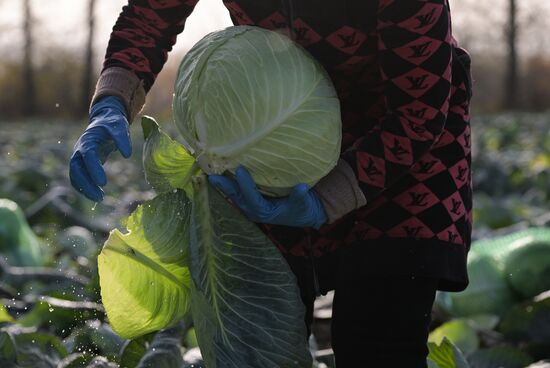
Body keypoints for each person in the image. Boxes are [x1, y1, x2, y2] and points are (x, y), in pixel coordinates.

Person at [69, 1, 473, 366]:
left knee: (378, 342)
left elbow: (417, 113)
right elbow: (151, 13)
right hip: (273, 146)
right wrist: (113, 100)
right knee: (258, 341)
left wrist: (324, 202)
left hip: (404, 152)